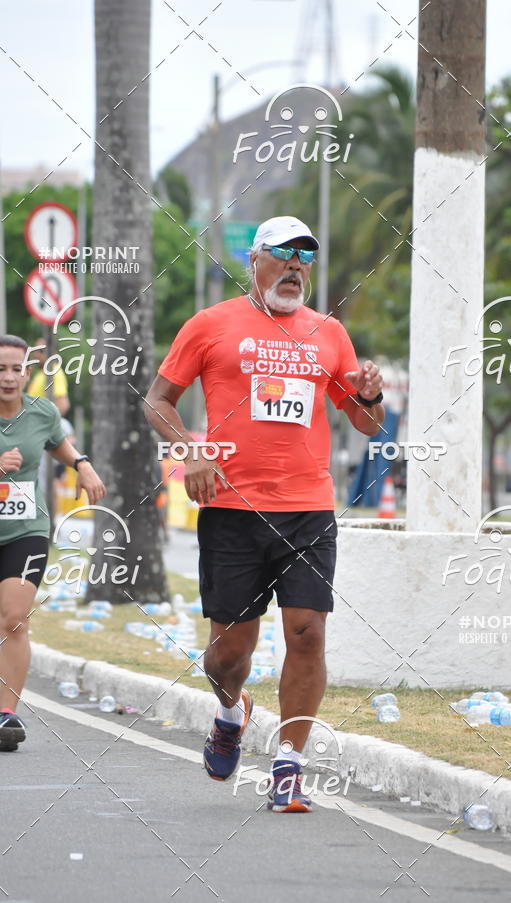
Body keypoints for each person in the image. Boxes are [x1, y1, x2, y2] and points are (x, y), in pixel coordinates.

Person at [145, 216, 384, 812]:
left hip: (307, 508)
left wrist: (373, 396)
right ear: (255, 261)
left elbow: (364, 422)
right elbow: (158, 400)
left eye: (307, 254)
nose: (297, 265)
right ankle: (231, 711)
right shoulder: (211, 325)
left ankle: (289, 767)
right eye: (284, 253)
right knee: (229, 656)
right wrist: (191, 450)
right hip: (231, 510)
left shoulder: (329, 333)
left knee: (307, 634)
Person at [0, 335, 105, 752]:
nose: (9, 377)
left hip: (26, 531)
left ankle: (6, 713)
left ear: (28, 372)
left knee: (14, 619)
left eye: (16, 369)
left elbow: (65, 449)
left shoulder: (40, 412)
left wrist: (84, 467)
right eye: (0, 369)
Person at [27, 337, 70, 415]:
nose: (37, 354)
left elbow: (62, 405)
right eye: (35, 350)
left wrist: (44, 424)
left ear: (53, 353)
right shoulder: (41, 373)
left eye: (41, 351)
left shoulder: (55, 372)